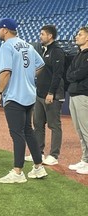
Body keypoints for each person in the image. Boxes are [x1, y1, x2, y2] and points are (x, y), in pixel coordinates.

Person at [0, 18, 48, 184]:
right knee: (28, 131)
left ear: (5, 30)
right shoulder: (28, 45)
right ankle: (38, 167)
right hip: (29, 94)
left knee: (17, 133)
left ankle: (18, 172)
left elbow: (5, 73)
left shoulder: (7, 46)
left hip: (14, 95)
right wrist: (28, 77)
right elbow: (40, 65)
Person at [25, 25, 65, 165]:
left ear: (50, 36)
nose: (40, 36)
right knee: (38, 124)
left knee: (54, 125)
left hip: (51, 95)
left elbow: (58, 74)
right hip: (40, 94)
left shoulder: (57, 51)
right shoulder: (43, 50)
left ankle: (54, 155)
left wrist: (51, 92)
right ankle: (38, 153)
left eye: (42, 34)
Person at [66, 26, 88, 175]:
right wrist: (73, 76)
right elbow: (69, 73)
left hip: (83, 94)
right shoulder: (78, 55)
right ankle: (85, 159)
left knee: (86, 130)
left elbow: (81, 73)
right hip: (74, 94)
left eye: (80, 34)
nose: (76, 37)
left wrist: (73, 76)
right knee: (80, 131)